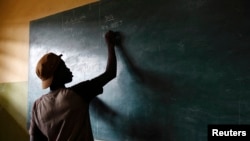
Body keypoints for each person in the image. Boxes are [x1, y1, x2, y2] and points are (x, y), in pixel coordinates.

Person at [29, 31, 117, 141]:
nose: (68, 68)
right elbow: (110, 73)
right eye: (64, 66)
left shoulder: (37, 106)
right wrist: (110, 44)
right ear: (57, 73)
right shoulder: (78, 93)